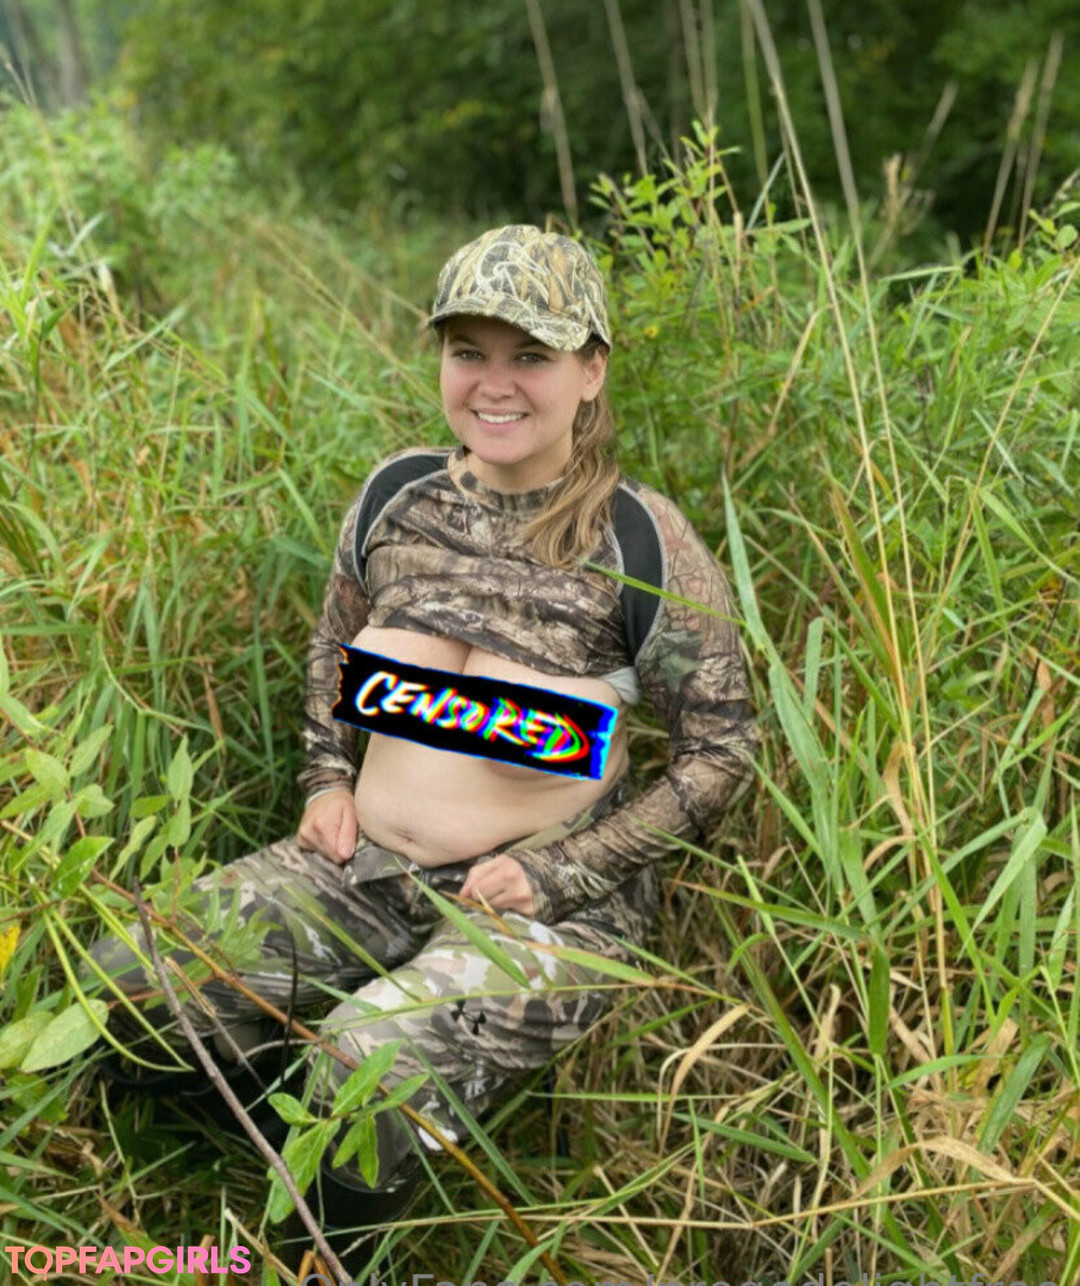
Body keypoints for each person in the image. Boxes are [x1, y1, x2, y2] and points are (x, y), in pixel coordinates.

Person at [88, 224, 758, 1273]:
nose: (495, 383)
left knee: (366, 1069)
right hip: (358, 865)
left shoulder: (642, 540)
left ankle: (325, 1245)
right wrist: (325, 776)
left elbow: (722, 752)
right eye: (467, 351)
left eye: (531, 354)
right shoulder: (399, 495)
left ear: (590, 368)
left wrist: (560, 873)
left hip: (539, 907)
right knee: (132, 980)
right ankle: (232, 1138)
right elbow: (333, 645)